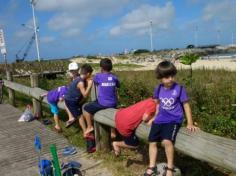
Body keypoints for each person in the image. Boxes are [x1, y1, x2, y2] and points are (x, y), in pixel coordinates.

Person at [144, 60, 199, 176]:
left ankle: (170, 168)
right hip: (159, 119)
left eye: (172, 75)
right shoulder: (158, 88)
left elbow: (186, 105)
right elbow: (158, 104)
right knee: (152, 142)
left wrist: (190, 123)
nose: (170, 79)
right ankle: (152, 166)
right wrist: (154, 117)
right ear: (160, 78)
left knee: (167, 141)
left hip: (173, 120)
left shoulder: (179, 88)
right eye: (167, 77)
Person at [83, 58, 120, 136]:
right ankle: (112, 131)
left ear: (101, 68)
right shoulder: (114, 77)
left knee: (86, 108)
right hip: (113, 103)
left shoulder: (98, 76)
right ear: (111, 68)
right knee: (112, 109)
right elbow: (118, 85)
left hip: (103, 103)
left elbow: (94, 81)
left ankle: (89, 127)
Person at [64, 64, 93, 134]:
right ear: (88, 74)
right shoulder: (81, 82)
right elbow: (85, 95)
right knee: (80, 116)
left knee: (79, 114)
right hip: (72, 101)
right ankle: (85, 132)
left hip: (68, 99)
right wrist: (89, 85)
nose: (91, 76)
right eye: (91, 74)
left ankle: (72, 118)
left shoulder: (77, 78)